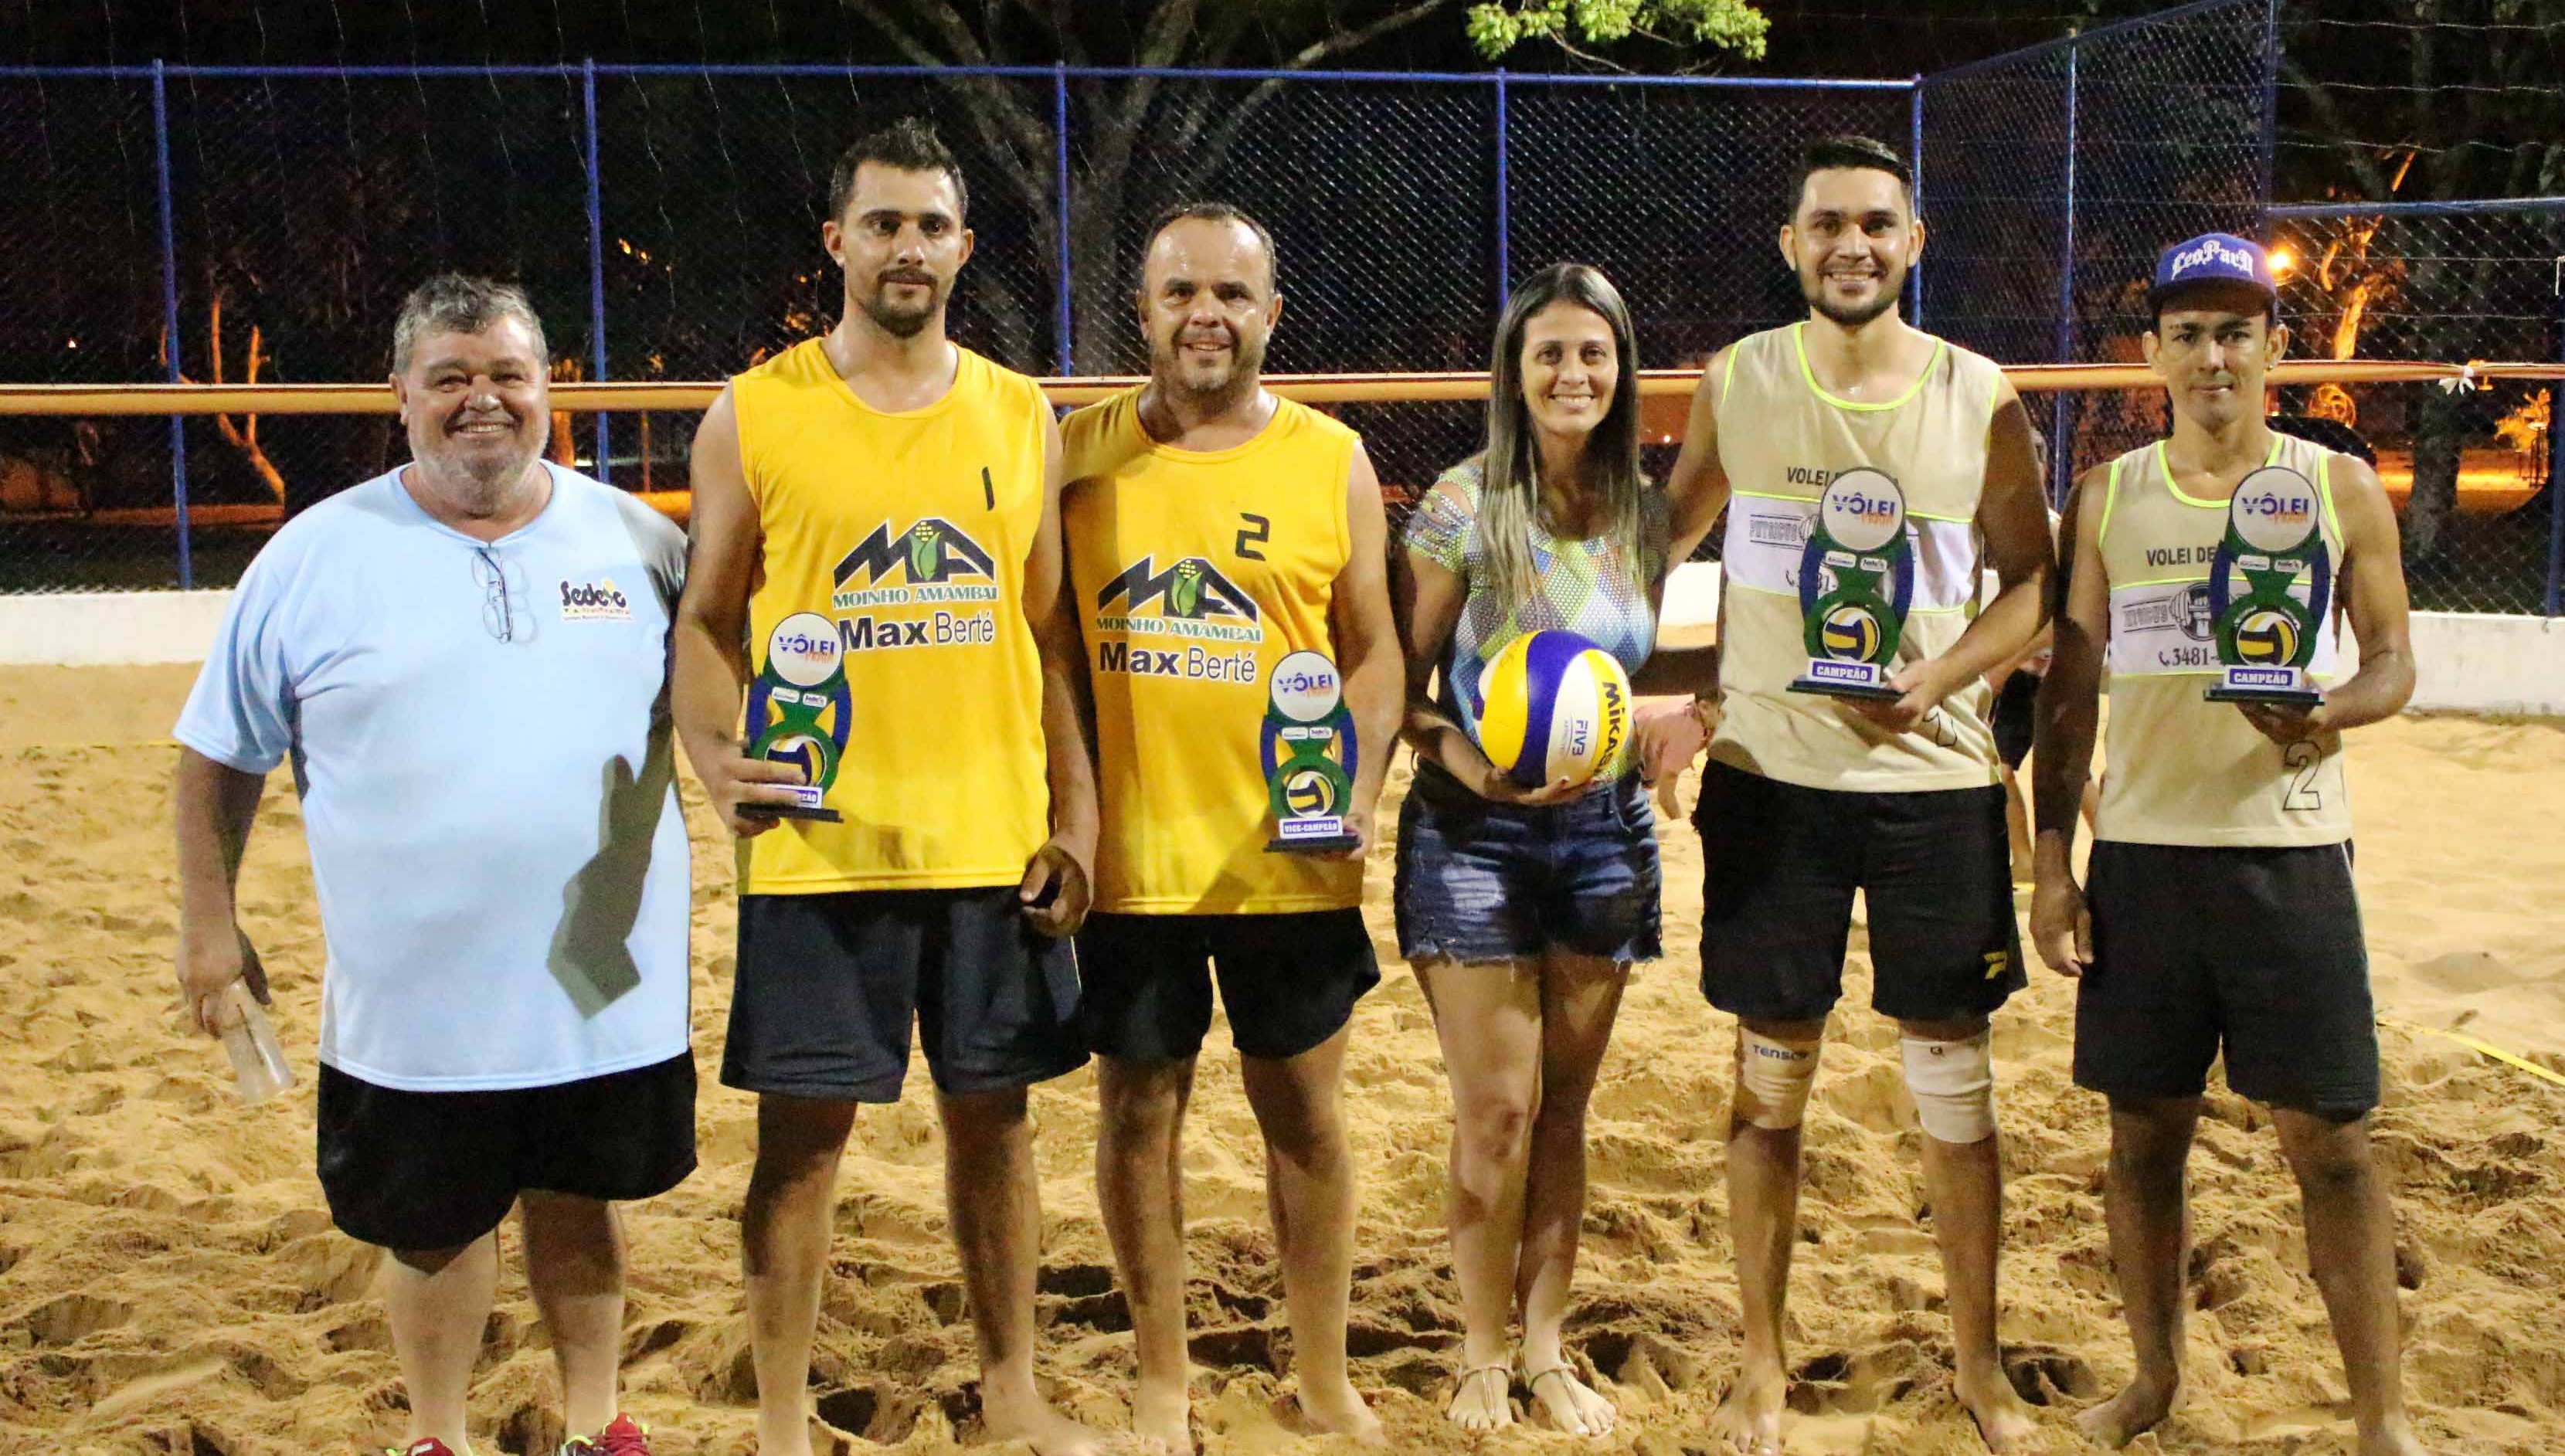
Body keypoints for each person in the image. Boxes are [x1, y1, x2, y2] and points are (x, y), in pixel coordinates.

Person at [173, 273, 691, 1456]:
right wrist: (209, 925)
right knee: (430, 1223)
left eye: (508, 374)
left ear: (550, 388)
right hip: (413, 998)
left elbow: (723, 722)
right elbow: (218, 754)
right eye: (450, 377)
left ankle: (595, 1422)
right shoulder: (316, 557)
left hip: (600, 983)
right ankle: (436, 1434)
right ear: (399, 394)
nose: (482, 400)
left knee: (581, 1199)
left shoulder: (643, 543)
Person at [671, 119, 1103, 1456]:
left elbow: (1047, 635)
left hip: (989, 843)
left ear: (964, 247)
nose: (906, 247)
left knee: (997, 1126)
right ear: (837, 242)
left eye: (929, 225)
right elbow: (707, 621)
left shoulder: (1019, 415)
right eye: (882, 223)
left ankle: (1011, 1388)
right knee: (802, 1143)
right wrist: (716, 758)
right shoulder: (757, 412)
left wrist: (1077, 820)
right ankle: (784, 1421)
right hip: (822, 843)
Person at [1655, 134, 2055, 1454]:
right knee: (1770, 1082)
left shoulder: (1978, 393)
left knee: (1956, 1086)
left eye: (1877, 223)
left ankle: (1980, 1366)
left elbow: (2033, 581)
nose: (1852, 245)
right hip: (1774, 784)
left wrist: (1939, 674)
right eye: (1826, 222)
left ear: (1913, 241)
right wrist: (1629, 686)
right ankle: (1763, 1363)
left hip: (1932, 785)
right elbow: (1662, 538)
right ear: (1790, 244)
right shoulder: (1740, 379)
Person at [2030, 233, 2424, 1455]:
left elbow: (2394, 661)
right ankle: (2153, 1381)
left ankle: (2383, 1419)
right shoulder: (2107, 496)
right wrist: (2052, 866)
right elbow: (2068, 696)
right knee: (2144, 1137)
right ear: (2153, 352)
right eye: (2189, 333)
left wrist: (2329, 713)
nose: (2214, 356)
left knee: (2333, 1145)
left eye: (2237, 333)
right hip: (2143, 860)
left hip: (2288, 855)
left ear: (2275, 349)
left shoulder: (2337, 486)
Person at [1064, 202, 1401, 1452]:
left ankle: (1322, 1373)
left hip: (1288, 856)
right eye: (1181, 292)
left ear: (1272, 313)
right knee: (1136, 1114)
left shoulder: (1331, 458)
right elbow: (1045, 644)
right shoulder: (1076, 456)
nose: (1205, 314)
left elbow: (1374, 650)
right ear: (1144, 311)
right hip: (1133, 862)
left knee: (1304, 1115)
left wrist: (1357, 785)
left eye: (1231, 293)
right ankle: (1163, 1374)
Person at [1389, 261, 1670, 1437]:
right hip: (1475, 832)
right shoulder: (1462, 504)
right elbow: (1401, 690)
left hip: (1605, 833)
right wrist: (1470, 767)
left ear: (1621, 369)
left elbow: (1636, 675)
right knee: (1498, 1108)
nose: (1572, 373)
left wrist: (1684, 720)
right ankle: (1480, 1349)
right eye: (1548, 352)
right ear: (1514, 370)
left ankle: (1547, 1348)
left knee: (1565, 1109)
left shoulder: (1644, 508)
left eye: (1593, 353)